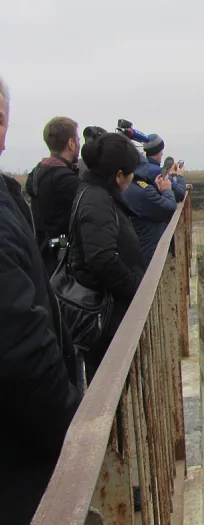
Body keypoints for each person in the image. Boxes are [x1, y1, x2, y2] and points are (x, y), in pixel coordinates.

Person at [0, 75, 81, 525]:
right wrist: (74, 434)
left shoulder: (27, 183)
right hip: (20, 467)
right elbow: (20, 350)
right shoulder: (67, 183)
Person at [70, 133, 145, 381]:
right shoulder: (97, 200)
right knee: (112, 381)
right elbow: (102, 259)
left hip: (109, 312)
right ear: (118, 175)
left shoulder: (97, 194)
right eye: (131, 173)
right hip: (106, 317)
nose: (133, 178)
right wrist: (136, 289)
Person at [25, 116, 82, 276]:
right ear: (71, 143)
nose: (79, 144)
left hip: (43, 257)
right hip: (62, 264)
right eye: (78, 140)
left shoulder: (37, 172)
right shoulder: (65, 180)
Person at [123, 139, 177, 267]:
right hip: (146, 255)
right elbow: (169, 207)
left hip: (137, 251)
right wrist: (167, 189)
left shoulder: (131, 187)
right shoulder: (140, 189)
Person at [142, 133, 186, 202]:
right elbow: (180, 194)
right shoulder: (159, 172)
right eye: (161, 150)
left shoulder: (140, 168)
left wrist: (170, 175)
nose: (162, 154)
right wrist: (180, 176)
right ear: (158, 151)